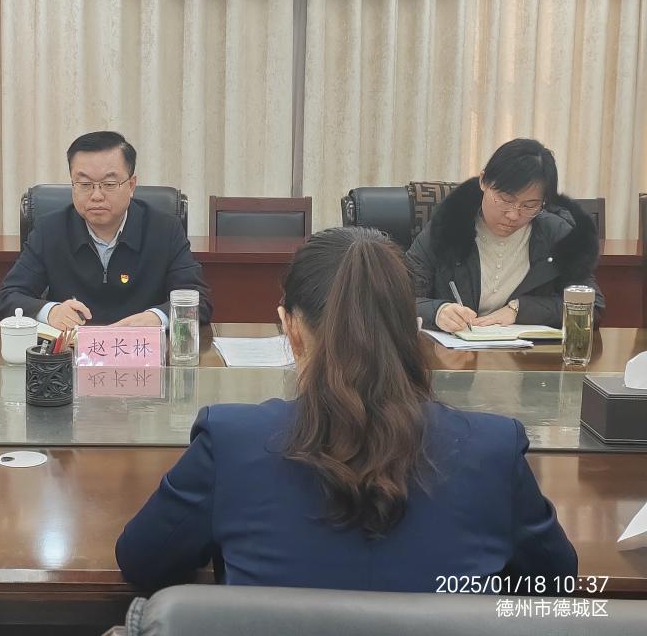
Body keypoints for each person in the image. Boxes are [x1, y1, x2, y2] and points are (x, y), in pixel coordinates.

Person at [115, 227, 576, 591]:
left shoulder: (231, 441)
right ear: (412, 327)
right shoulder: (493, 449)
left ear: (291, 328)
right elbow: (556, 580)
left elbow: (143, 562)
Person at [0, 131, 212, 328]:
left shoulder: (164, 230)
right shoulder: (50, 230)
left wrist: (157, 317)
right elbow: (8, 297)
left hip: (142, 353)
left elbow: (199, 300)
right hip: (72, 353)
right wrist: (51, 312)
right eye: (84, 184)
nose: (96, 196)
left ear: (131, 185)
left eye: (109, 184)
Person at [408, 138, 603, 331]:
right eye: (505, 200)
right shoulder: (447, 228)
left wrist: (520, 310)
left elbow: (592, 306)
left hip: (526, 351)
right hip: (453, 350)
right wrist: (437, 312)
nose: (513, 215)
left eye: (529, 206)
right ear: (483, 181)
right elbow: (400, 298)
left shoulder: (557, 235)